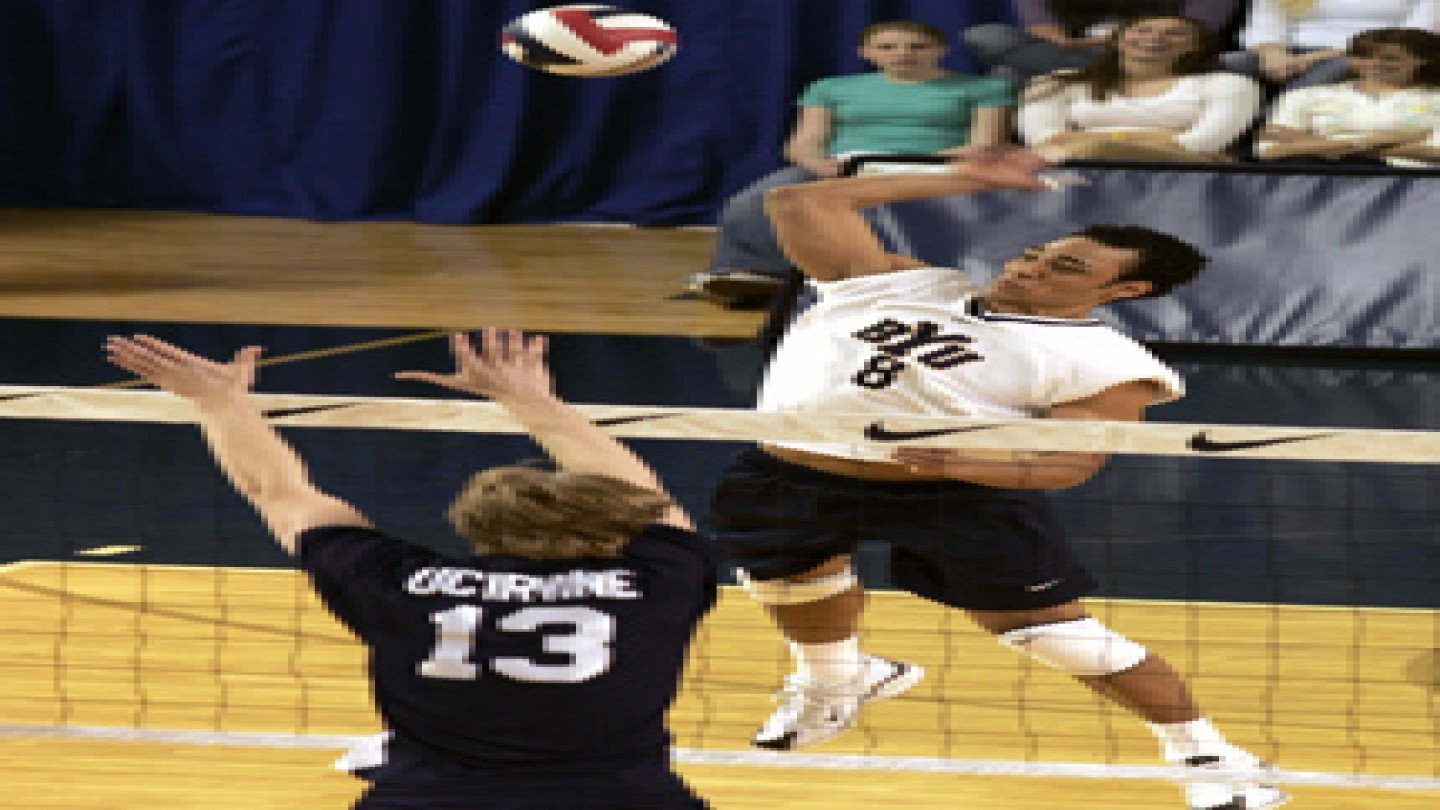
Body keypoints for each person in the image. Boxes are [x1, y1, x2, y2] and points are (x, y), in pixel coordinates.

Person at [706, 146, 1288, 810]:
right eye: (1035, 252)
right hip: (783, 473)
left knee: (1060, 637)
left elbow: (1069, 463)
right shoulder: (899, 282)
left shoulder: (1107, 363)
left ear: (1124, 291)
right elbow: (797, 202)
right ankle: (836, 683)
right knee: (791, 584)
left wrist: (966, 463)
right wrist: (962, 179)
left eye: (1063, 267)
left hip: (953, 497)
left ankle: (1208, 754)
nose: (1030, 266)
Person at [104, 328, 720, 810]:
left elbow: (276, 491)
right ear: (605, 519)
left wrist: (220, 403)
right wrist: (532, 400)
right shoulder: (655, 583)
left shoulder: (403, 585)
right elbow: (648, 500)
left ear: (472, 527)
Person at [688, 20, 1014, 309]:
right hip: (847, 166)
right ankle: (748, 275)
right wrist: (821, 164)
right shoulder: (830, 88)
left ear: (940, 49)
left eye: (917, 46)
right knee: (758, 199)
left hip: (934, 167)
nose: (903, 53)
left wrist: (917, 164)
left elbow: (985, 144)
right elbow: (803, 143)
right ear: (865, 52)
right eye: (887, 47)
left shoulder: (984, 88)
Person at [1018, 15, 1262, 162]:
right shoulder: (1055, 82)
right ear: (1117, 40)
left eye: (1175, 34)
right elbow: (1042, 141)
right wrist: (1165, 135)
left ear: (1196, 47)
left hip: (1183, 177)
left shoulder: (1230, 83)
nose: (1155, 38)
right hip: (1075, 174)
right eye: (1142, 30)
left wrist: (1091, 144)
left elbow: (1203, 144)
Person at [1255, 27, 1440, 166]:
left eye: (1390, 58)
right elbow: (1268, 150)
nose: (1373, 64)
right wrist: (1396, 139)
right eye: (1363, 56)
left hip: (1413, 186)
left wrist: (1312, 144)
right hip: (1325, 184)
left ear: (1423, 61)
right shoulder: (1304, 96)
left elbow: (1435, 152)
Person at [964, 1, 1241, 87]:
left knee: (1243, 64)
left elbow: (1199, 30)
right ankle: (1097, 72)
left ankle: (1084, 75)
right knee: (986, 36)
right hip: (1070, 50)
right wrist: (1056, 37)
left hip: (1165, 54)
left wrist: (1122, 41)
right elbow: (1040, 25)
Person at [1224, 0, 1438, 91]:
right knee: (1225, 64)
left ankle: (1274, 126)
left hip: (1370, 54)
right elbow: (1265, 27)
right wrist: (1274, 56)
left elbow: (1414, 37)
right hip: (1287, 52)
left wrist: (1309, 59)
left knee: (1336, 68)